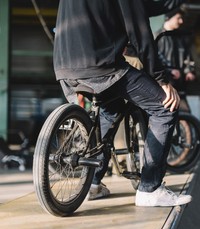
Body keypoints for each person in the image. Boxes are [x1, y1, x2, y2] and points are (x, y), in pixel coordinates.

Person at [53, 0, 192, 207]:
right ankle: (150, 189)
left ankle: (92, 182)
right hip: (102, 68)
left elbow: (143, 7)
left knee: (110, 109)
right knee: (165, 107)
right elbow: (140, 32)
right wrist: (161, 79)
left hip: (64, 67)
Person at [155, 7, 196, 112]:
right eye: (178, 18)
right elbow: (154, 58)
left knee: (186, 116)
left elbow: (188, 57)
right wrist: (170, 70)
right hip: (163, 84)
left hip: (179, 85)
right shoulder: (157, 37)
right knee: (166, 114)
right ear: (169, 17)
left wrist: (189, 71)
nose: (181, 21)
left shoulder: (180, 38)